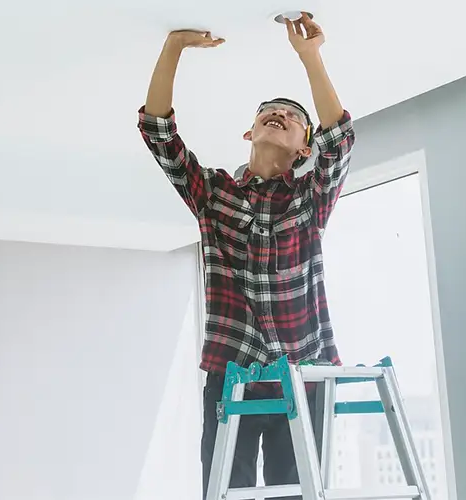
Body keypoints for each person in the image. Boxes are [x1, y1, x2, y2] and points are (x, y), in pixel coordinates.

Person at [136, 14, 356, 499]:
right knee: (224, 491)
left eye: (292, 116)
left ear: (303, 149)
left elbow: (338, 141)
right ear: (248, 133)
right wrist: (174, 46)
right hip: (231, 373)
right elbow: (158, 134)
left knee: (294, 492)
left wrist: (310, 57)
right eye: (267, 112)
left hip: (302, 375)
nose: (278, 115)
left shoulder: (309, 199)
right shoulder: (214, 193)